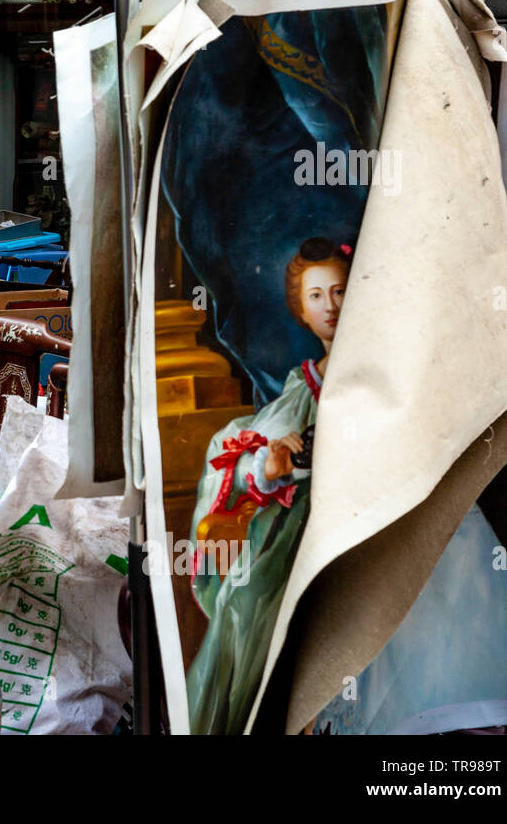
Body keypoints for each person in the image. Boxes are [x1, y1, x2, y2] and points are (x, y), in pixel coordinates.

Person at [186, 237, 348, 735]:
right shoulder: (305, 385)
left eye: (340, 291)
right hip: (298, 535)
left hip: (356, 529)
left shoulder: (366, 377)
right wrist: (270, 466)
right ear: (300, 308)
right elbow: (241, 457)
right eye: (317, 296)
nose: (331, 307)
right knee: (245, 603)